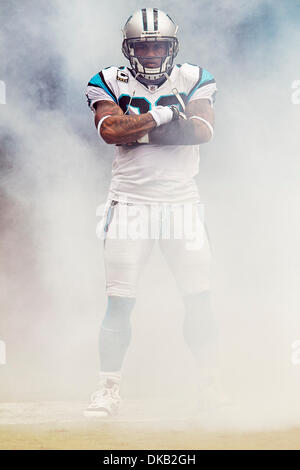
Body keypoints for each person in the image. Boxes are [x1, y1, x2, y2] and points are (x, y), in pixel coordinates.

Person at [84, 7, 226, 418]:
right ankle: (108, 389)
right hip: (129, 205)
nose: (151, 54)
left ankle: (210, 384)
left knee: (199, 297)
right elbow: (109, 132)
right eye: (144, 47)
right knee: (120, 301)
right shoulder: (108, 79)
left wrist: (138, 128)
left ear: (172, 46)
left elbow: (202, 131)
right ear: (130, 49)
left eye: (159, 46)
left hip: (183, 205)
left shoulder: (195, 76)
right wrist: (164, 115)